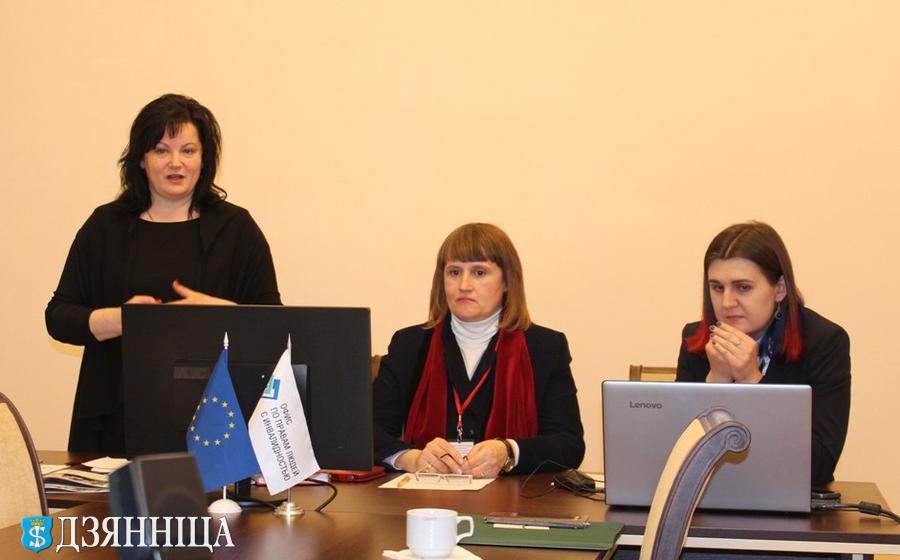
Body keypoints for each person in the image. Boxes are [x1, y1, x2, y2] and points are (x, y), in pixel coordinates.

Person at [46, 94, 281, 455]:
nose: (176, 163)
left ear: (204, 159)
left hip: (216, 421)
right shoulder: (105, 226)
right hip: (117, 419)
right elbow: (59, 318)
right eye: (161, 150)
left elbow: (275, 328)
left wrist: (222, 314)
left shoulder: (236, 229)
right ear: (141, 159)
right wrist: (124, 320)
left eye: (188, 150)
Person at [373, 223, 585, 478]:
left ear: (507, 281)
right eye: (454, 272)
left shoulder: (545, 347)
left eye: (479, 272)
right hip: (427, 497)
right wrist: (412, 458)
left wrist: (508, 451)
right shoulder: (409, 344)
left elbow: (568, 445)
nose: (464, 285)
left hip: (512, 499)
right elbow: (369, 432)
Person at [676, 221, 850, 485]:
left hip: (789, 499)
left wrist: (752, 381)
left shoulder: (825, 342)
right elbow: (678, 457)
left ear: (779, 289)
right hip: (710, 495)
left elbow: (820, 465)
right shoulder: (695, 339)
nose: (726, 302)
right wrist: (716, 382)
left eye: (743, 287)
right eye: (717, 287)